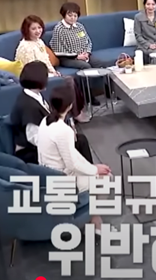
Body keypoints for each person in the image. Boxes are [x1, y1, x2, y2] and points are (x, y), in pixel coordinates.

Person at [38, 85, 114, 232]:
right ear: (70, 105)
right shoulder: (63, 130)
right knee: (107, 179)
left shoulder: (45, 121)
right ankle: (95, 222)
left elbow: (72, 155)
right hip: (62, 180)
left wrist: (94, 168)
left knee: (99, 175)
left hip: (50, 174)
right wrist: (95, 170)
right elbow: (72, 164)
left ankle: (94, 220)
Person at [11, 61, 93, 163]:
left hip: (44, 142)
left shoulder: (33, 95)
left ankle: (88, 169)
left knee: (79, 140)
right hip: (32, 152)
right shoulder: (28, 107)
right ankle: (90, 170)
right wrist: (64, 138)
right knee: (80, 142)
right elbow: (36, 139)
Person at [15, 15, 86, 122]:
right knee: (69, 81)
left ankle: (77, 110)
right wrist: (49, 75)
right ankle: (76, 113)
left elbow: (46, 60)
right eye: (33, 29)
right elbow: (32, 69)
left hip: (45, 72)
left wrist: (53, 71)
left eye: (39, 28)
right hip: (34, 78)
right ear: (27, 30)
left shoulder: (39, 41)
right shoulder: (25, 47)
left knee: (72, 79)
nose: (37, 31)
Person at [48, 2, 106, 106]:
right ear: (64, 14)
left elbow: (87, 41)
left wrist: (87, 52)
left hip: (84, 54)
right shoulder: (59, 29)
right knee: (86, 67)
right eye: (70, 15)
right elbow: (58, 49)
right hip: (67, 58)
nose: (73, 18)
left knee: (100, 64)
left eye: (75, 16)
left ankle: (108, 90)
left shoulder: (79, 26)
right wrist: (77, 56)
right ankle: (89, 96)